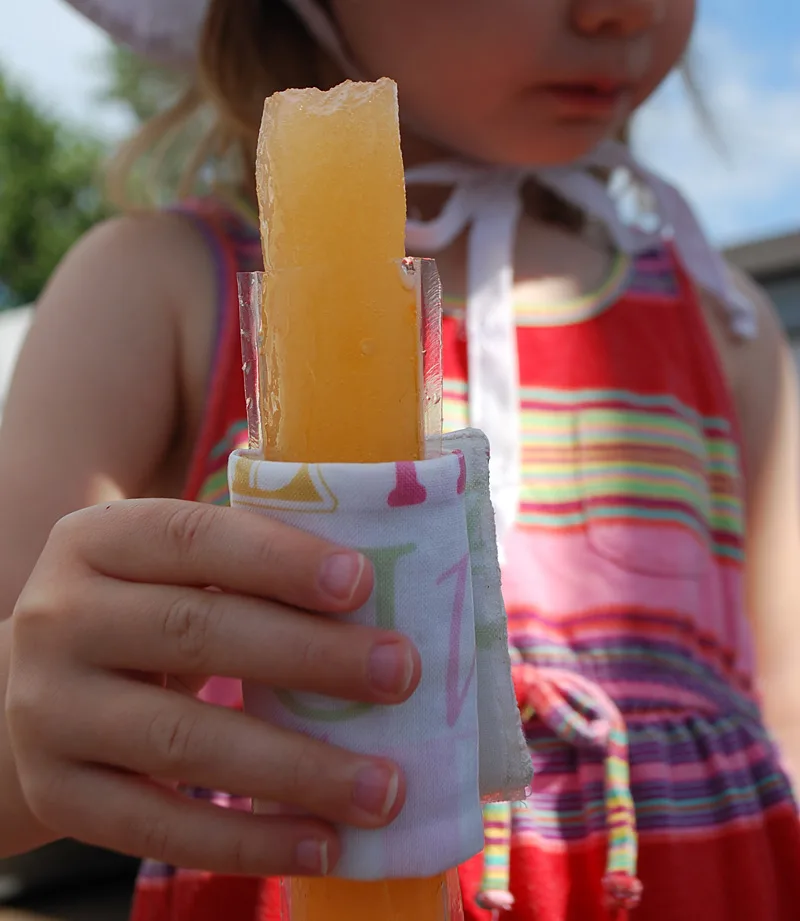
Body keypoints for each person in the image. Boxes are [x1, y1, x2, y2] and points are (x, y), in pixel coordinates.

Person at [2, 0, 799, 919]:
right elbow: (28, 690)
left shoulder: (721, 320)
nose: (623, 11)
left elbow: (784, 710)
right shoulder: (161, 284)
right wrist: (36, 733)